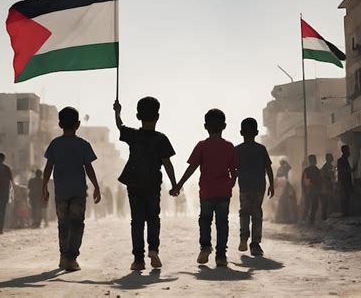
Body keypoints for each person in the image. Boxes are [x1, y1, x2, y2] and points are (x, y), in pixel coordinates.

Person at [113, 97, 177, 271]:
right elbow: (167, 163)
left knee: (137, 221)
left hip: (134, 184)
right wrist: (175, 185)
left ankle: (138, 259)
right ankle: (154, 249)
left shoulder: (133, 135)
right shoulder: (161, 138)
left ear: (138, 116)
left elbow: (120, 126)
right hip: (153, 184)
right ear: (157, 116)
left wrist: (117, 112)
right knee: (153, 218)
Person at [170, 109, 238, 266]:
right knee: (222, 223)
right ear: (224, 126)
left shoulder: (202, 146)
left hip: (207, 192)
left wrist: (178, 185)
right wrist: (232, 182)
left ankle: (205, 247)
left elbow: (191, 168)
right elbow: (234, 170)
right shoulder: (229, 146)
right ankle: (221, 255)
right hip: (223, 192)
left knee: (205, 220)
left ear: (205, 126)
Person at [42, 107, 101, 272]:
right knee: (77, 224)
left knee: (63, 224)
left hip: (61, 192)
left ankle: (63, 256)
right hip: (78, 193)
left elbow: (48, 167)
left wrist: (44, 186)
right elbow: (89, 168)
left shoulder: (55, 144)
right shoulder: (83, 145)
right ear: (78, 124)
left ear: (60, 124)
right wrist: (96, 186)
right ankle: (72, 257)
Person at [234, 118, 274, 256]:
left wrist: (232, 182)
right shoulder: (261, 149)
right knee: (256, 214)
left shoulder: (237, 149)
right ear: (256, 132)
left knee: (244, 212)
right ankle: (255, 244)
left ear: (241, 133)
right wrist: (272, 185)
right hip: (259, 187)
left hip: (244, 186)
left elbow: (233, 169)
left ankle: (243, 238)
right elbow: (268, 168)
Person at [301, 155, 323, 224]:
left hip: (313, 190)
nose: (313, 162)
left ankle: (310, 219)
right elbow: (304, 181)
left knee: (313, 205)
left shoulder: (316, 170)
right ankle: (306, 219)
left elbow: (320, 180)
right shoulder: (308, 170)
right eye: (312, 161)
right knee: (309, 205)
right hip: (310, 190)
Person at [337, 145, 354, 216]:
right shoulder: (341, 160)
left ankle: (346, 212)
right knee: (344, 198)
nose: (349, 152)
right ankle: (344, 212)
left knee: (347, 198)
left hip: (346, 182)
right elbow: (341, 171)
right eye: (348, 150)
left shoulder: (345, 160)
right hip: (344, 182)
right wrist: (349, 170)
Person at [320, 153, 336, 220]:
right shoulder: (325, 167)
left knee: (329, 202)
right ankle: (324, 217)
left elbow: (333, 176)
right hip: (325, 187)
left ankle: (329, 216)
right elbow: (323, 177)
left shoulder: (331, 166)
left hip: (329, 186)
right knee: (325, 202)